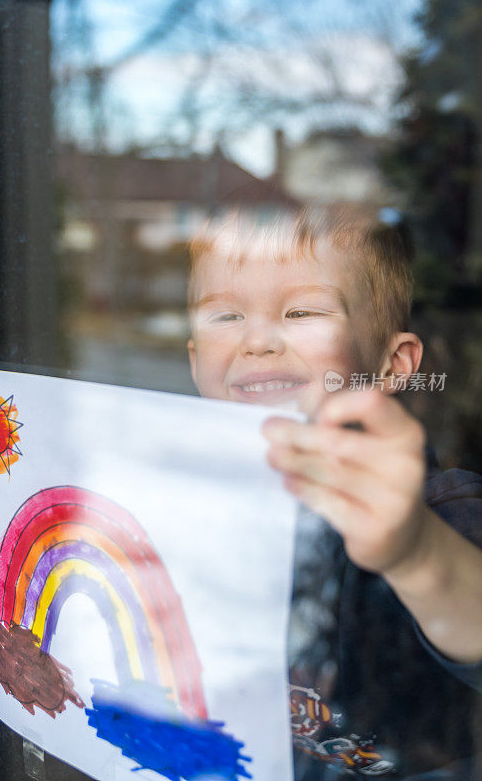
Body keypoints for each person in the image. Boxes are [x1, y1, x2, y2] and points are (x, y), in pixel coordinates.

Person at [185, 206, 482, 780]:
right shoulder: (189, 507)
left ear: (392, 364)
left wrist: (415, 552)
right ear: (197, 364)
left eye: (301, 311)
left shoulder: (441, 510)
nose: (257, 340)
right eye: (225, 315)